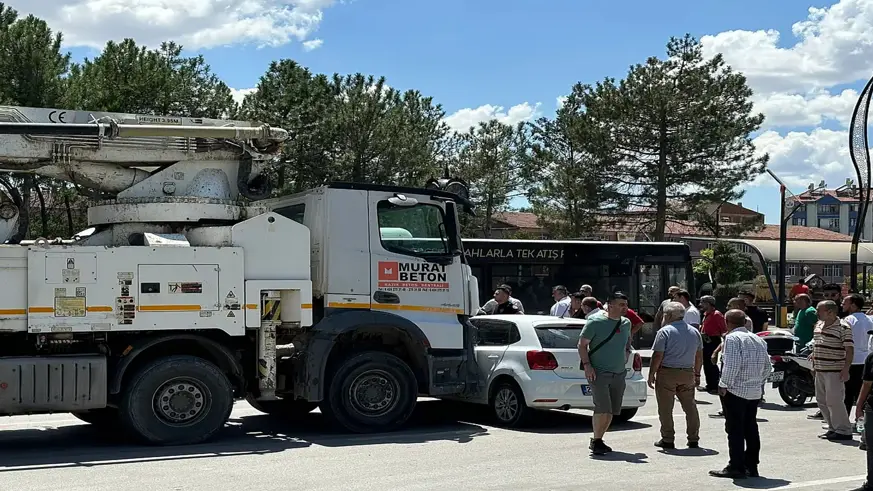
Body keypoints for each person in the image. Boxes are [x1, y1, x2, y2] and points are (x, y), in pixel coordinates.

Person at [709, 309, 772, 480]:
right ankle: (751, 465)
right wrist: (758, 383)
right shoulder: (758, 339)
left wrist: (723, 384)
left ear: (727, 322)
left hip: (736, 391)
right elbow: (767, 367)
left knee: (735, 430)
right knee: (751, 428)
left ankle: (736, 466)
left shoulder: (731, 338)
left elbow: (732, 364)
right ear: (744, 322)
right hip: (753, 392)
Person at [578, 292, 632, 456]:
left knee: (612, 411)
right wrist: (587, 365)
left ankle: (598, 440)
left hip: (619, 372)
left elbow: (627, 341)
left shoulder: (626, 323)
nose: (625, 307)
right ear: (610, 305)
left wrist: (627, 353)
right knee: (602, 408)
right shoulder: (595, 322)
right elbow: (582, 345)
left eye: (625, 304)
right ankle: (597, 440)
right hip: (599, 372)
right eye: (621, 304)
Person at [648, 301, 702, 449]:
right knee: (690, 407)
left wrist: (651, 373)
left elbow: (658, 355)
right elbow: (699, 355)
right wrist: (697, 374)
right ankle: (693, 438)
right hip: (687, 372)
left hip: (667, 372)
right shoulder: (694, 331)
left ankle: (668, 438)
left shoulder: (664, 331)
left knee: (666, 408)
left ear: (669, 315)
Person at [812, 300, 854, 441]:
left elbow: (849, 349)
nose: (816, 313)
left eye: (819, 310)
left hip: (834, 370)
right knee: (822, 400)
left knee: (834, 401)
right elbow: (818, 342)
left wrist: (846, 369)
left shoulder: (843, 327)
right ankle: (832, 427)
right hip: (820, 369)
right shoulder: (818, 325)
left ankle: (844, 430)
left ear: (830, 312)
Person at [842, 293, 871, 426]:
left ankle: (844, 422)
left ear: (853, 305)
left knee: (847, 393)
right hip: (865, 360)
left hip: (852, 360)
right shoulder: (869, 320)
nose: (843, 304)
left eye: (845, 302)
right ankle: (861, 420)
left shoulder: (848, 320)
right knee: (862, 393)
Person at [851, 345, 873, 491]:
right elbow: (866, 384)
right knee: (871, 446)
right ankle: (871, 484)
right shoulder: (871, 359)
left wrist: (859, 406)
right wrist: (859, 407)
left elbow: (867, 385)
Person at [699, 295, 727, 394]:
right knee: (706, 364)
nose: (700, 304)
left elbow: (724, 329)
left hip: (713, 340)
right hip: (705, 339)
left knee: (711, 363)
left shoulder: (717, 314)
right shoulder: (706, 314)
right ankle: (709, 385)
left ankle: (714, 385)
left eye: (702, 302)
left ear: (708, 303)